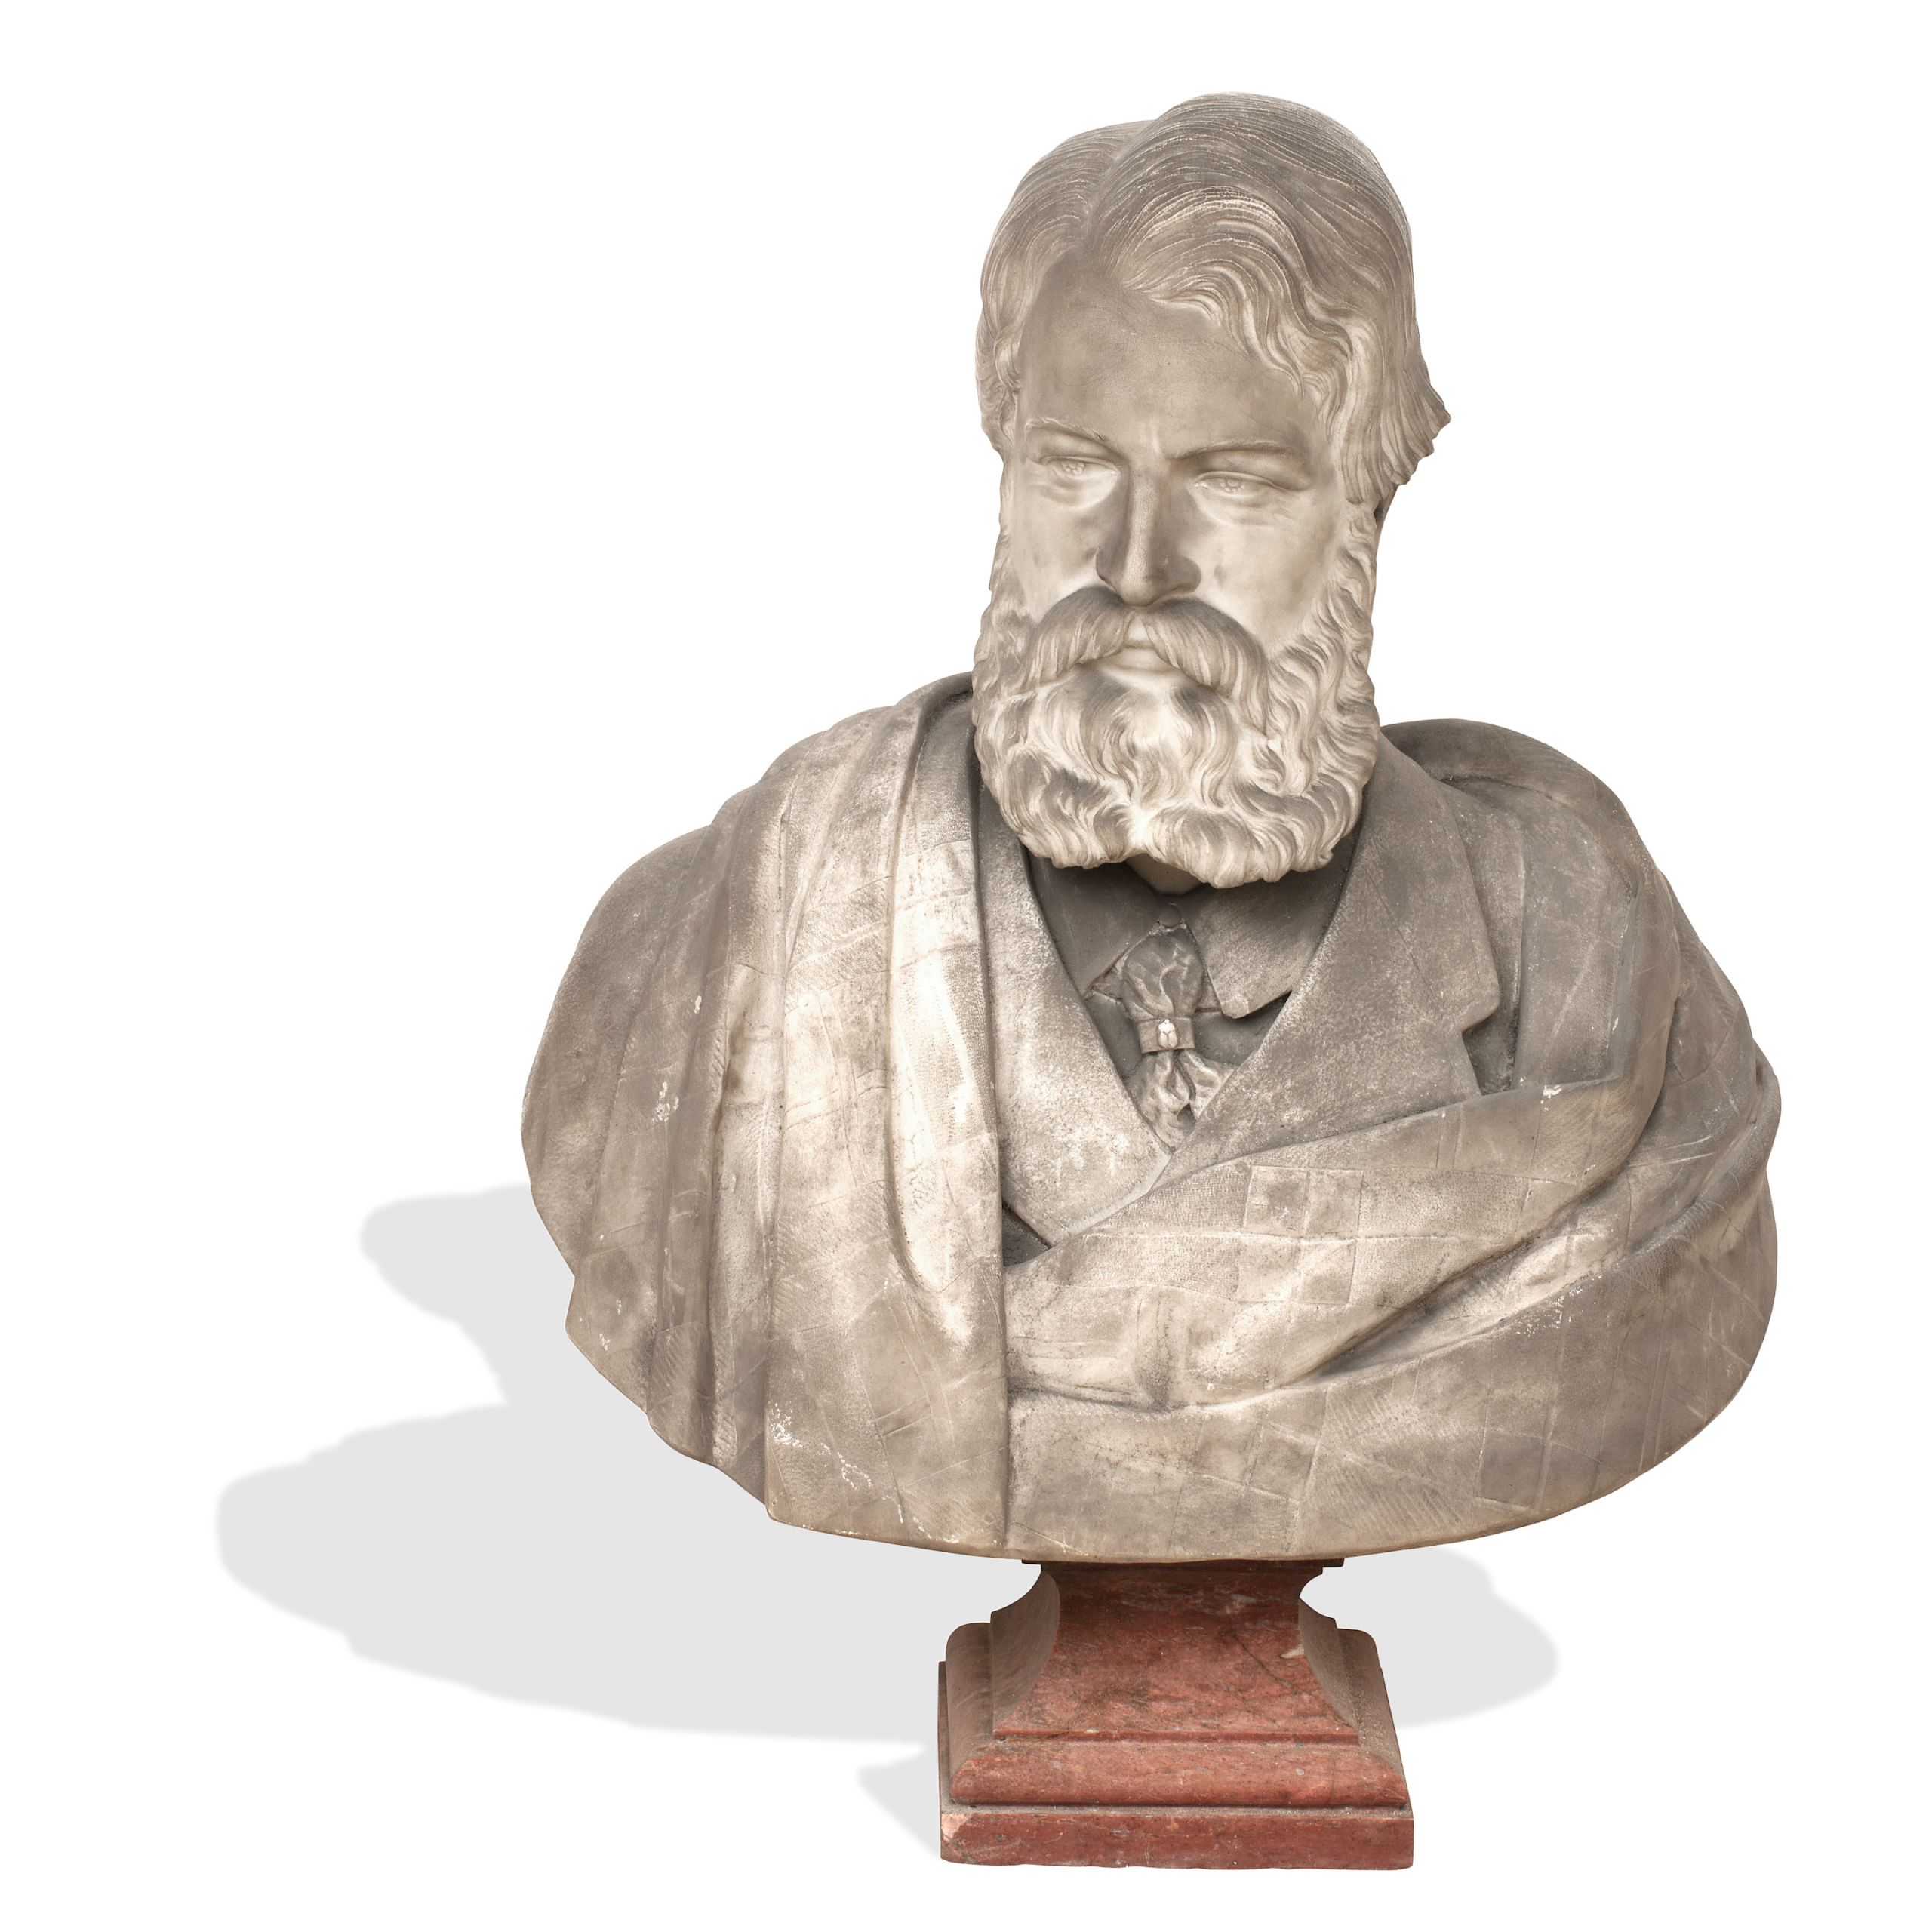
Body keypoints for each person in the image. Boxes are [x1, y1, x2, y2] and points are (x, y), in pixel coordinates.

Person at [524, 94, 1776, 1560]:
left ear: (1366, 500)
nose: (1133, 566)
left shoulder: (1581, 961)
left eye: (1230, 480)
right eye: (1073, 464)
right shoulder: (718, 956)